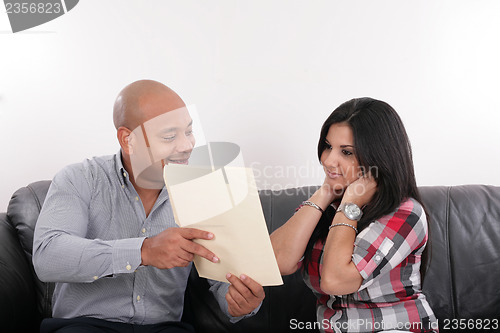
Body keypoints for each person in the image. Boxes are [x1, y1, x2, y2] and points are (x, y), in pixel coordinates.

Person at [33, 79, 265, 333]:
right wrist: (143, 251)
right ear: (127, 139)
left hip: (163, 328)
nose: (187, 146)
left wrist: (238, 301)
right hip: (85, 325)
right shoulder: (80, 178)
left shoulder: (204, 191)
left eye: (188, 131)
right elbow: (48, 256)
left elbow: (223, 279)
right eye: (169, 136)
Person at [270, 98, 438, 333]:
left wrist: (350, 204)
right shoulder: (323, 207)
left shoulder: (406, 212)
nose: (328, 160)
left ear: (378, 158)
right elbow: (277, 262)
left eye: (346, 152)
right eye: (327, 146)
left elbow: (336, 281)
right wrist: (325, 192)